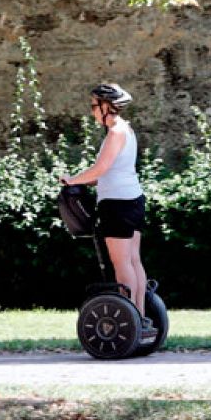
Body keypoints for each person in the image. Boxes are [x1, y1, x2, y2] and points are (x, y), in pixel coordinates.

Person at [62, 82, 156, 344]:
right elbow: (109, 172)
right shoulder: (126, 130)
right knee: (134, 261)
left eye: (94, 106)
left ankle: (133, 320)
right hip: (132, 199)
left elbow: (100, 169)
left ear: (107, 107)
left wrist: (71, 181)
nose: (92, 111)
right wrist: (81, 180)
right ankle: (140, 316)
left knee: (122, 263)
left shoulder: (115, 133)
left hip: (117, 204)